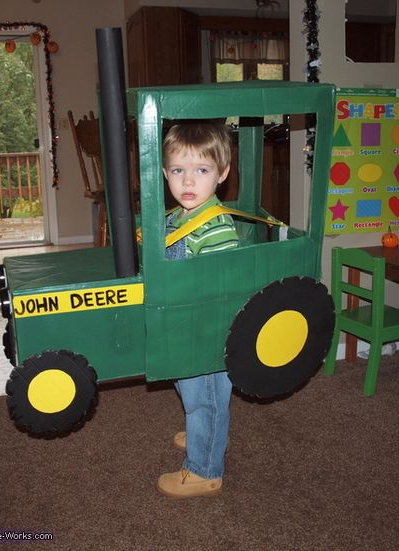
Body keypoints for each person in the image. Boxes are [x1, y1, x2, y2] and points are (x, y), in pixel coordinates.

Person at [157, 123, 238, 498]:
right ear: (164, 172)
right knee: (189, 388)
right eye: (178, 170)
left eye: (201, 171)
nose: (188, 181)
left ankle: (205, 468)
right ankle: (202, 429)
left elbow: (220, 290)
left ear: (222, 173)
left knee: (205, 395)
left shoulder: (215, 226)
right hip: (183, 322)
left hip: (207, 330)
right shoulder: (178, 216)